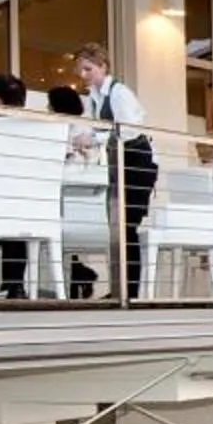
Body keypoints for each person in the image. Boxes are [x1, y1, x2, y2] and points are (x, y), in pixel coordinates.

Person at [71, 44, 155, 300]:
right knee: (118, 228)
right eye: (80, 70)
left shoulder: (119, 93)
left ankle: (129, 292)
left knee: (126, 227)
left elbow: (128, 130)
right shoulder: (95, 97)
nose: (83, 74)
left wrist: (93, 138)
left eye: (89, 68)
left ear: (103, 66)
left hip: (137, 165)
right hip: (120, 165)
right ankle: (123, 290)